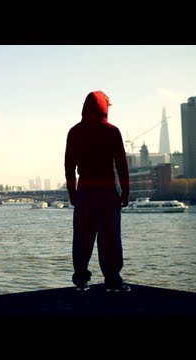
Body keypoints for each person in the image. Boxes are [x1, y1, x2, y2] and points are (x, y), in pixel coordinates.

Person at [64, 90, 130, 292]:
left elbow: (69, 167)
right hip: (106, 191)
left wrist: (73, 193)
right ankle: (112, 280)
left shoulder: (74, 132)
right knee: (109, 237)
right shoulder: (112, 131)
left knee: (82, 237)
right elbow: (121, 165)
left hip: (84, 191)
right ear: (104, 108)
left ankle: (81, 280)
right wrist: (125, 192)